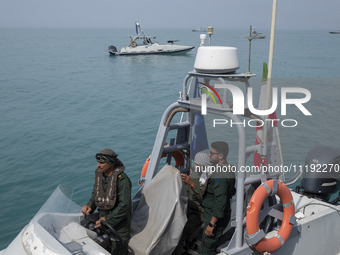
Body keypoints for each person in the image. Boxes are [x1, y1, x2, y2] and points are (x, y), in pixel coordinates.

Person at [81, 148, 132, 255]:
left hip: (119, 226)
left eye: (102, 162)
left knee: (117, 251)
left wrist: (108, 220)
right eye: (98, 162)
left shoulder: (122, 180)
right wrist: (90, 205)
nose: (98, 165)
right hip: (102, 221)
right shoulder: (100, 175)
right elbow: (96, 192)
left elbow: (125, 205)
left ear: (111, 163)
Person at [173, 150, 211, 254]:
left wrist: (192, 184)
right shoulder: (195, 175)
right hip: (188, 208)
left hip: (199, 214)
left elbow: (206, 199)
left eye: (198, 164)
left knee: (180, 232)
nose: (195, 166)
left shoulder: (210, 179)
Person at [200, 141, 236, 255]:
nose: (209, 155)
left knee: (207, 246)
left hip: (214, 216)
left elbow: (221, 199)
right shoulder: (227, 168)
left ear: (220, 156)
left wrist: (211, 224)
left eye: (212, 153)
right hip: (216, 213)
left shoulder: (220, 175)